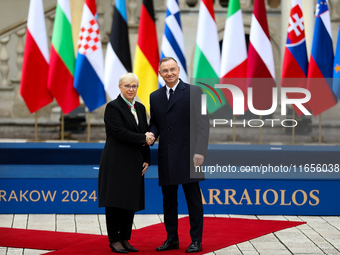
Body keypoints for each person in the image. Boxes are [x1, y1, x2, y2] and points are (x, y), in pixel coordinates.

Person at [149, 57, 210, 253]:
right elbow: (155, 123)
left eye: (172, 69)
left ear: (179, 70)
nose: (169, 73)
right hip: (166, 155)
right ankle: (172, 239)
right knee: (169, 200)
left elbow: (203, 124)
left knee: (193, 199)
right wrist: (151, 134)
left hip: (190, 155)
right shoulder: (154, 96)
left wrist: (200, 150)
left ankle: (196, 241)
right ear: (160, 73)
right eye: (165, 70)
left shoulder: (195, 92)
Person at [98, 73, 155, 253]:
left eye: (134, 86)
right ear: (120, 87)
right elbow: (119, 132)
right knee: (115, 201)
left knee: (129, 201)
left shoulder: (140, 107)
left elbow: (144, 132)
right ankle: (114, 240)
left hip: (135, 161)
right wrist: (144, 139)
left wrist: (147, 157)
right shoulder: (113, 107)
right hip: (116, 161)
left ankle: (125, 238)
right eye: (127, 86)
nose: (131, 89)